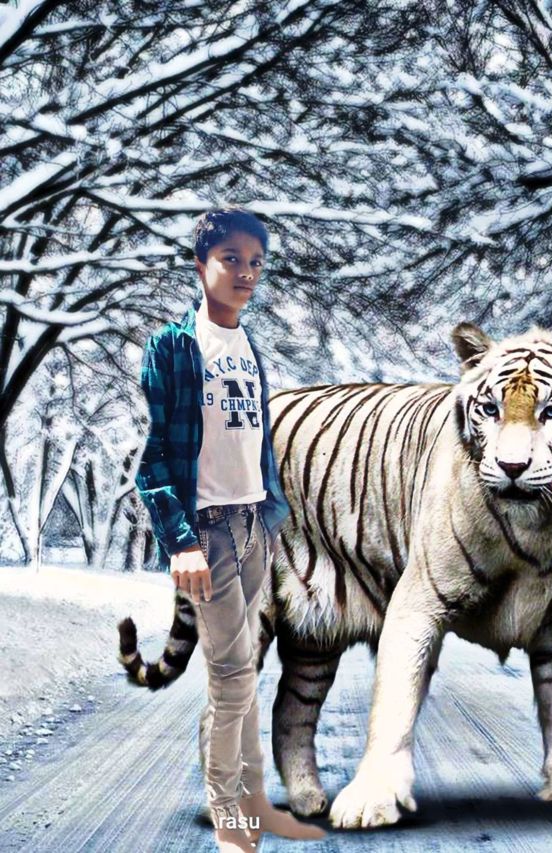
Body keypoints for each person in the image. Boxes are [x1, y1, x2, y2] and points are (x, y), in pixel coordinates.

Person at [135, 209, 326, 852]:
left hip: (252, 526)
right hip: (208, 531)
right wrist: (180, 541)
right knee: (234, 673)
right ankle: (232, 823)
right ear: (201, 265)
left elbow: (255, 445)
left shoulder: (248, 345)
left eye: (255, 262)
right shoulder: (174, 347)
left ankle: (250, 803)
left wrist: (271, 519)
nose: (246, 273)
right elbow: (155, 458)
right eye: (231, 259)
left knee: (240, 673)